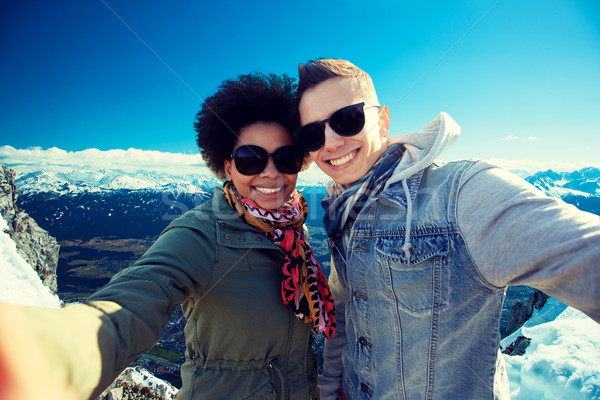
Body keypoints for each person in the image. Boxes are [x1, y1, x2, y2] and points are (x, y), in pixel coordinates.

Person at [0, 72, 335, 400]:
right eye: (251, 159)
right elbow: (139, 295)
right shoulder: (202, 233)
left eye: (286, 158)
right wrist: (56, 354)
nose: (271, 173)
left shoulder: (293, 231)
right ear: (227, 166)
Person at [294, 58, 600, 400]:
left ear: (381, 122)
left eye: (347, 119)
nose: (332, 142)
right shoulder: (342, 212)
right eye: (312, 133)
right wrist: (329, 385)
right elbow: (345, 311)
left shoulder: (460, 192)